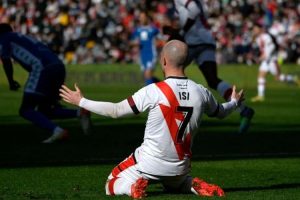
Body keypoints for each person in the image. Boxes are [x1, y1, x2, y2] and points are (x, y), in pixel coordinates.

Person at [60, 40, 245, 198]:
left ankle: (133, 187)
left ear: (164, 61)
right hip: (180, 167)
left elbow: (116, 111)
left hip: (149, 163)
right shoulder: (201, 91)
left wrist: (81, 101)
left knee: (111, 183)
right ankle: (191, 185)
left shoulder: (154, 91)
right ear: (187, 62)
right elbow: (221, 112)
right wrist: (235, 102)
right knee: (174, 185)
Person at [162, 0, 254, 133]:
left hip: (193, 42)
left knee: (169, 68)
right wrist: (177, 30)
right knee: (212, 79)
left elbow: (193, 11)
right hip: (205, 40)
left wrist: (181, 33)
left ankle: (168, 112)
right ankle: (244, 110)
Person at [0, 23, 91, 143]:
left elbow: (5, 59)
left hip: (42, 68)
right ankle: (80, 112)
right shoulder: (24, 36)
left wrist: (11, 81)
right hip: (58, 65)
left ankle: (58, 131)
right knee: (45, 110)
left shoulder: (5, 38)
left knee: (26, 109)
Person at [251, 23, 299, 102]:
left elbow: (272, 46)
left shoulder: (266, 36)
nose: (254, 31)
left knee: (279, 78)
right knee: (261, 76)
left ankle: (294, 78)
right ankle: (260, 96)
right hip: (266, 61)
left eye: (256, 29)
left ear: (260, 29)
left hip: (271, 60)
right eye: (254, 29)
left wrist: (265, 56)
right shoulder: (258, 38)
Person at [130, 11, 161, 85]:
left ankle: (149, 94)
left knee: (148, 74)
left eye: (143, 17)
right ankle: (162, 85)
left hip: (151, 54)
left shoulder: (154, 29)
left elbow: (161, 39)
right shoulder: (137, 30)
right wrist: (134, 43)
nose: (142, 19)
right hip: (142, 55)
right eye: (140, 17)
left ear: (147, 18)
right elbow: (131, 42)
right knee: (147, 77)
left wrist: (158, 43)